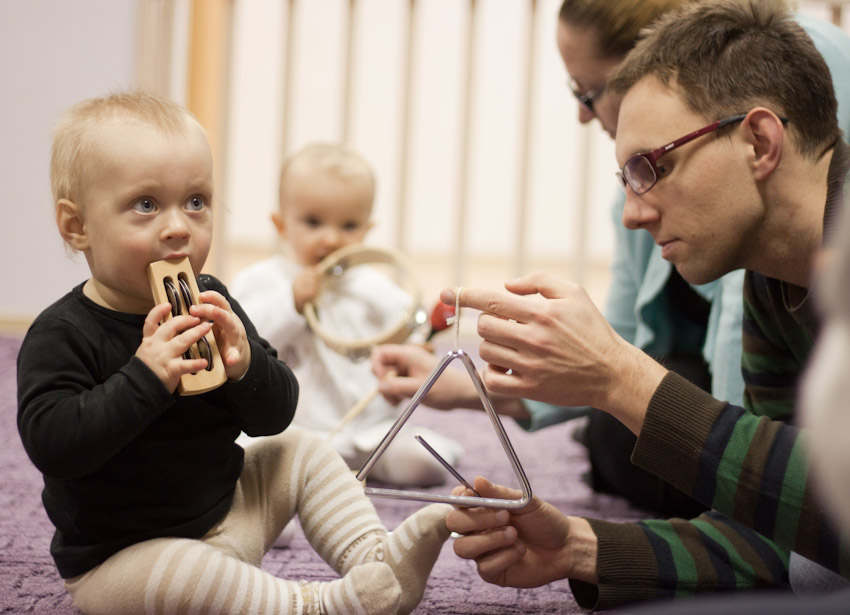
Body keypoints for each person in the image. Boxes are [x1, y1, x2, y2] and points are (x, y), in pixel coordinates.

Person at [439, 0, 850, 610]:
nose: (634, 212)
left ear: (759, 142)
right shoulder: (773, 281)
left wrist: (619, 376)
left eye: (649, 167)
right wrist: (577, 547)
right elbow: (786, 525)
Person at [15, 92, 451, 615]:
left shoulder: (210, 298)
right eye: (146, 205)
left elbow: (274, 415)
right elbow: (55, 445)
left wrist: (248, 366)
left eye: (195, 201)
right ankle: (312, 607)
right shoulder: (62, 333)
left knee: (302, 450)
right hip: (126, 559)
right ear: (77, 225)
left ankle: (374, 559)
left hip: (231, 511)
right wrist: (144, 377)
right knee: (187, 574)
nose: (179, 225)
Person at [230, 142, 462, 487]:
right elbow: (243, 343)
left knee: (421, 465)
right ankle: (276, 505)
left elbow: (410, 327)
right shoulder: (262, 282)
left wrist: (417, 344)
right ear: (281, 225)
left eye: (349, 225)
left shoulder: (373, 285)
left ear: (368, 230)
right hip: (294, 431)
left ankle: (442, 449)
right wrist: (289, 303)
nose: (331, 238)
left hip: (369, 433)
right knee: (246, 458)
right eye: (313, 222)